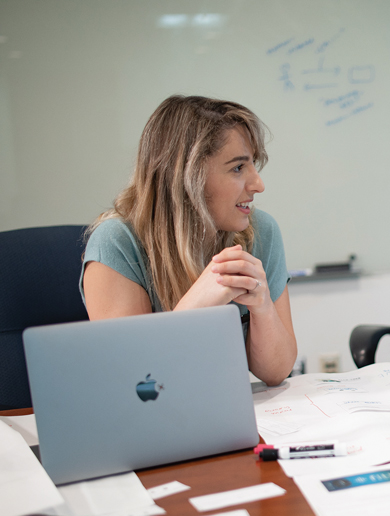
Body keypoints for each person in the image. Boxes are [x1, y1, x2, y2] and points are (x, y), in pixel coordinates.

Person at [81, 95, 297, 386]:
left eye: (253, 165)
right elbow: (132, 382)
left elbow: (276, 372)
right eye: (237, 168)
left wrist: (262, 307)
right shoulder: (116, 243)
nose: (258, 185)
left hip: (225, 408)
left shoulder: (261, 231)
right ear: (188, 177)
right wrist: (197, 304)